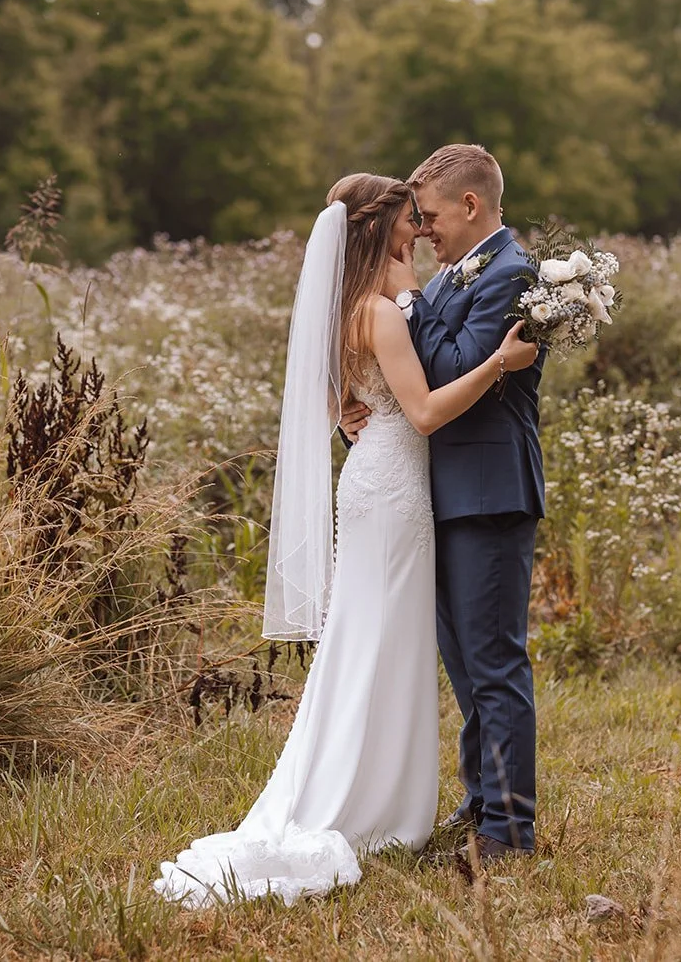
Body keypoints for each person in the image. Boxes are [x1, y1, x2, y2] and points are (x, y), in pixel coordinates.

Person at [154, 173, 539, 907]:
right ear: (382, 226)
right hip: (394, 485)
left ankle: (400, 791)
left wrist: (349, 413)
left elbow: (328, 389)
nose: (420, 231)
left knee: (372, 636)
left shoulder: (353, 301)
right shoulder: (382, 309)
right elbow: (423, 412)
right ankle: (378, 799)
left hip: (377, 479)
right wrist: (498, 363)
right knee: (377, 639)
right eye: (409, 219)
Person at [341, 144, 545, 861]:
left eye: (429, 217)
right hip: (441, 494)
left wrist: (407, 297)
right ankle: (481, 801)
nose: (422, 231)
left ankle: (510, 832)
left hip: (489, 493)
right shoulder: (458, 275)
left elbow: (454, 369)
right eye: (415, 221)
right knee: (464, 663)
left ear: (471, 205)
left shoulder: (513, 274)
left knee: (495, 662)